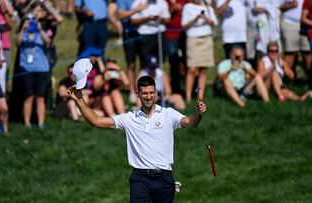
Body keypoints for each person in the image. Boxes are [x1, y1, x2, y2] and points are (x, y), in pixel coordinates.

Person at [67, 73, 207, 202]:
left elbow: (191, 122)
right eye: (144, 93)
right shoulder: (129, 118)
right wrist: (79, 100)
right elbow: (96, 121)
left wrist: (198, 113)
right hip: (140, 179)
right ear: (138, 94)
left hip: (164, 177)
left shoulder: (168, 114)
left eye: (151, 92)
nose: (148, 96)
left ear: (156, 93)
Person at [17, 3, 51, 129]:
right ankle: (27, 123)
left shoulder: (42, 28)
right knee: (28, 97)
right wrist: (23, 29)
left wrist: (40, 29)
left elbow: (48, 41)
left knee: (40, 97)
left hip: (41, 68)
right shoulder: (24, 29)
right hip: (27, 68)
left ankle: (41, 123)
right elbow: (18, 42)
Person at [182, 0, 218, 102]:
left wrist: (206, 19)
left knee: (203, 69)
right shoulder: (187, 7)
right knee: (192, 69)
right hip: (193, 40)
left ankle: (200, 96)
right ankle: (188, 97)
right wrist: (197, 18)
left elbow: (214, 22)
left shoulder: (208, 8)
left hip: (206, 39)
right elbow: (184, 26)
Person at [117, 0, 147, 103]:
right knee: (131, 64)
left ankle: (142, 88)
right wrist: (137, 10)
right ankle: (131, 90)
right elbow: (121, 15)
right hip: (129, 34)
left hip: (144, 32)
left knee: (144, 64)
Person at [279, 0, 312, 81]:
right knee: (291, 52)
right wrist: (289, 5)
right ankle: (286, 79)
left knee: (308, 52)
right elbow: (277, 6)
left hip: (306, 24)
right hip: (289, 23)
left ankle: (311, 79)